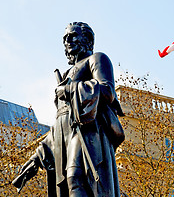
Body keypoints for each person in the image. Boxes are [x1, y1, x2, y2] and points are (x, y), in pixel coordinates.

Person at [12, 22, 125, 197]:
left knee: (76, 177)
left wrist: (69, 89)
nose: (68, 40)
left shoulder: (96, 59)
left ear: (87, 39)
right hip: (63, 137)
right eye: (65, 38)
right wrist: (38, 156)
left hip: (87, 132)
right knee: (67, 184)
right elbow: (60, 121)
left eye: (73, 35)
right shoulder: (66, 75)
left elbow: (108, 92)